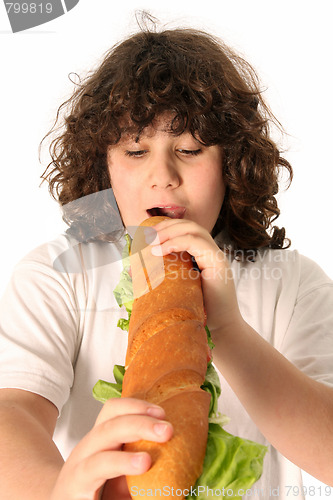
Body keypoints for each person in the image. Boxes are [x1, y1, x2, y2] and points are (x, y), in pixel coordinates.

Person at [0, 21, 333, 500]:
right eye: (136, 151)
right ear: (104, 165)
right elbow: (15, 410)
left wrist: (228, 329)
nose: (163, 176)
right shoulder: (57, 275)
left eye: (190, 150)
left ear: (232, 163)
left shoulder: (295, 284)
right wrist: (62, 490)